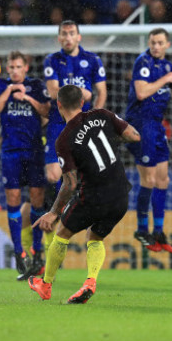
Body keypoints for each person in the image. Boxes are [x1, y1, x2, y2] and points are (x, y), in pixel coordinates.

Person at [28, 85, 140, 304]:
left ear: (58, 105)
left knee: (62, 233)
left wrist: (53, 212)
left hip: (93, 197)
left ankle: (46, 284)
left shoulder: (63, 139)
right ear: (82, 102)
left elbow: (69, 184)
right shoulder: (103, 115)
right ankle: (90, 282)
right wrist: (111, 140)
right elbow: (134, 136)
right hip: (120, 195)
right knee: (95, 237)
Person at [124, 27, 172, 252]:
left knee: (163, 180)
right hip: (140, 124)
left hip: (156, 127)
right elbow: (141, 93)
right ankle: (141, 228)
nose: (156, 46)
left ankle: (158, 231)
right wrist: (167, 79)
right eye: (152, 42)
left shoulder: (169, 67)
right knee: (148, 179)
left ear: (168, 45)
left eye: (160, 43)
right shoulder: (143, 62)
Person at [0, 50, 51, 279]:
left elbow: (47, 111)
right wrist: (10, 91)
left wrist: (28, 98)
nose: (14, 71)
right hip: (10, 152)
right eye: (11, 67)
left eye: (18, 67)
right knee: (13, 200)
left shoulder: (35, 85)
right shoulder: (1, 85)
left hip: (34, 152)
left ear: (26, 67)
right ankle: (18, 253)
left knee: (37, 199)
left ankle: (36, 250)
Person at [42, 20, 107, 204]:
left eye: (71, 33)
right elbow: (54, 92)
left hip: (82, 123)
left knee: (85, 176)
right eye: (64, 33)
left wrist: (94, 118)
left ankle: (70, 211)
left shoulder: (93, 60)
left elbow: (101, 92)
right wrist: (80, 91)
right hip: (58, 122)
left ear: (78, 37)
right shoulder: (51, 60)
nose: (68, 37)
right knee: (54, 175)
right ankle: (58, 210)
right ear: (59, 38)